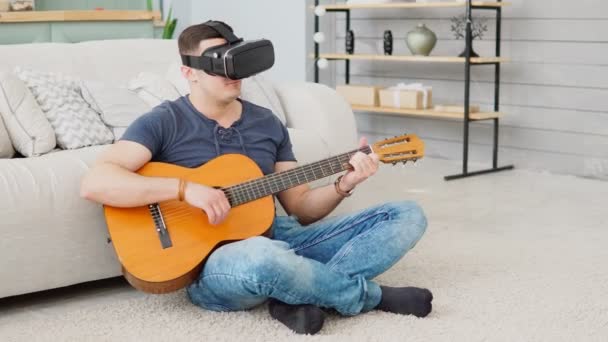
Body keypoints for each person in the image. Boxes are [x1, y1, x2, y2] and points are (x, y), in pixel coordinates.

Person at [80, 21, 432, 335]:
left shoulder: (266, 122)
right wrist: (185, 189)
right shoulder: (164, 120)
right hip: (216, 265)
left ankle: (295, 295)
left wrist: (345, 184)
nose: (233, 72)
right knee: (262, 258)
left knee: (406, 215)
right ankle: (368, 296)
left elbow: (301, 207)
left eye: (235, 59)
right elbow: (96, 182)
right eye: (218, 63)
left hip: (280, 236)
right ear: (191, 73)